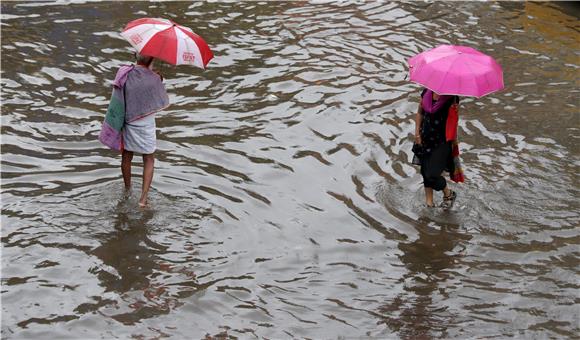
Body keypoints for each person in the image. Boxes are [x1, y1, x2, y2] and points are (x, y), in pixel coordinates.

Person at [99, 53, 169, 207]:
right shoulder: (155, 79)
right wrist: (158, 78)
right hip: (147, 126)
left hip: (129, 123)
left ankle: (127, 188)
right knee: (149, 159)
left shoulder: (124, 74)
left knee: (126, 156)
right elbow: (158, 99)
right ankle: (143, 200)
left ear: (134, 56)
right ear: (152, 59)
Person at [413, 88, 460, 209]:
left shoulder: (452, 97)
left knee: (432, 174)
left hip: (442, 142)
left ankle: (448, 193)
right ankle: (429, 203)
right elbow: (420, 113)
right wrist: (417, 133)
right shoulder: (426, 93)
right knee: (425, 170)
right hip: (425, 137)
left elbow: (453, 121)